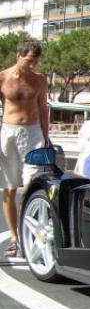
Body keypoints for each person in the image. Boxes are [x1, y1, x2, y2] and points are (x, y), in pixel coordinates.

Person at [0, 39, 49, 257]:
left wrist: (46, 136)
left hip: (33, 133)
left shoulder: (40, 80)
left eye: (36, 62)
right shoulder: (2, 77)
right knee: (9, 187)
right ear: (18, 55)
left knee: (32, 185)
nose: (33, 65)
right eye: (29, 60)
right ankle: (14, 238)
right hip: (8, 132)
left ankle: (29, 234)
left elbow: (43, 107)